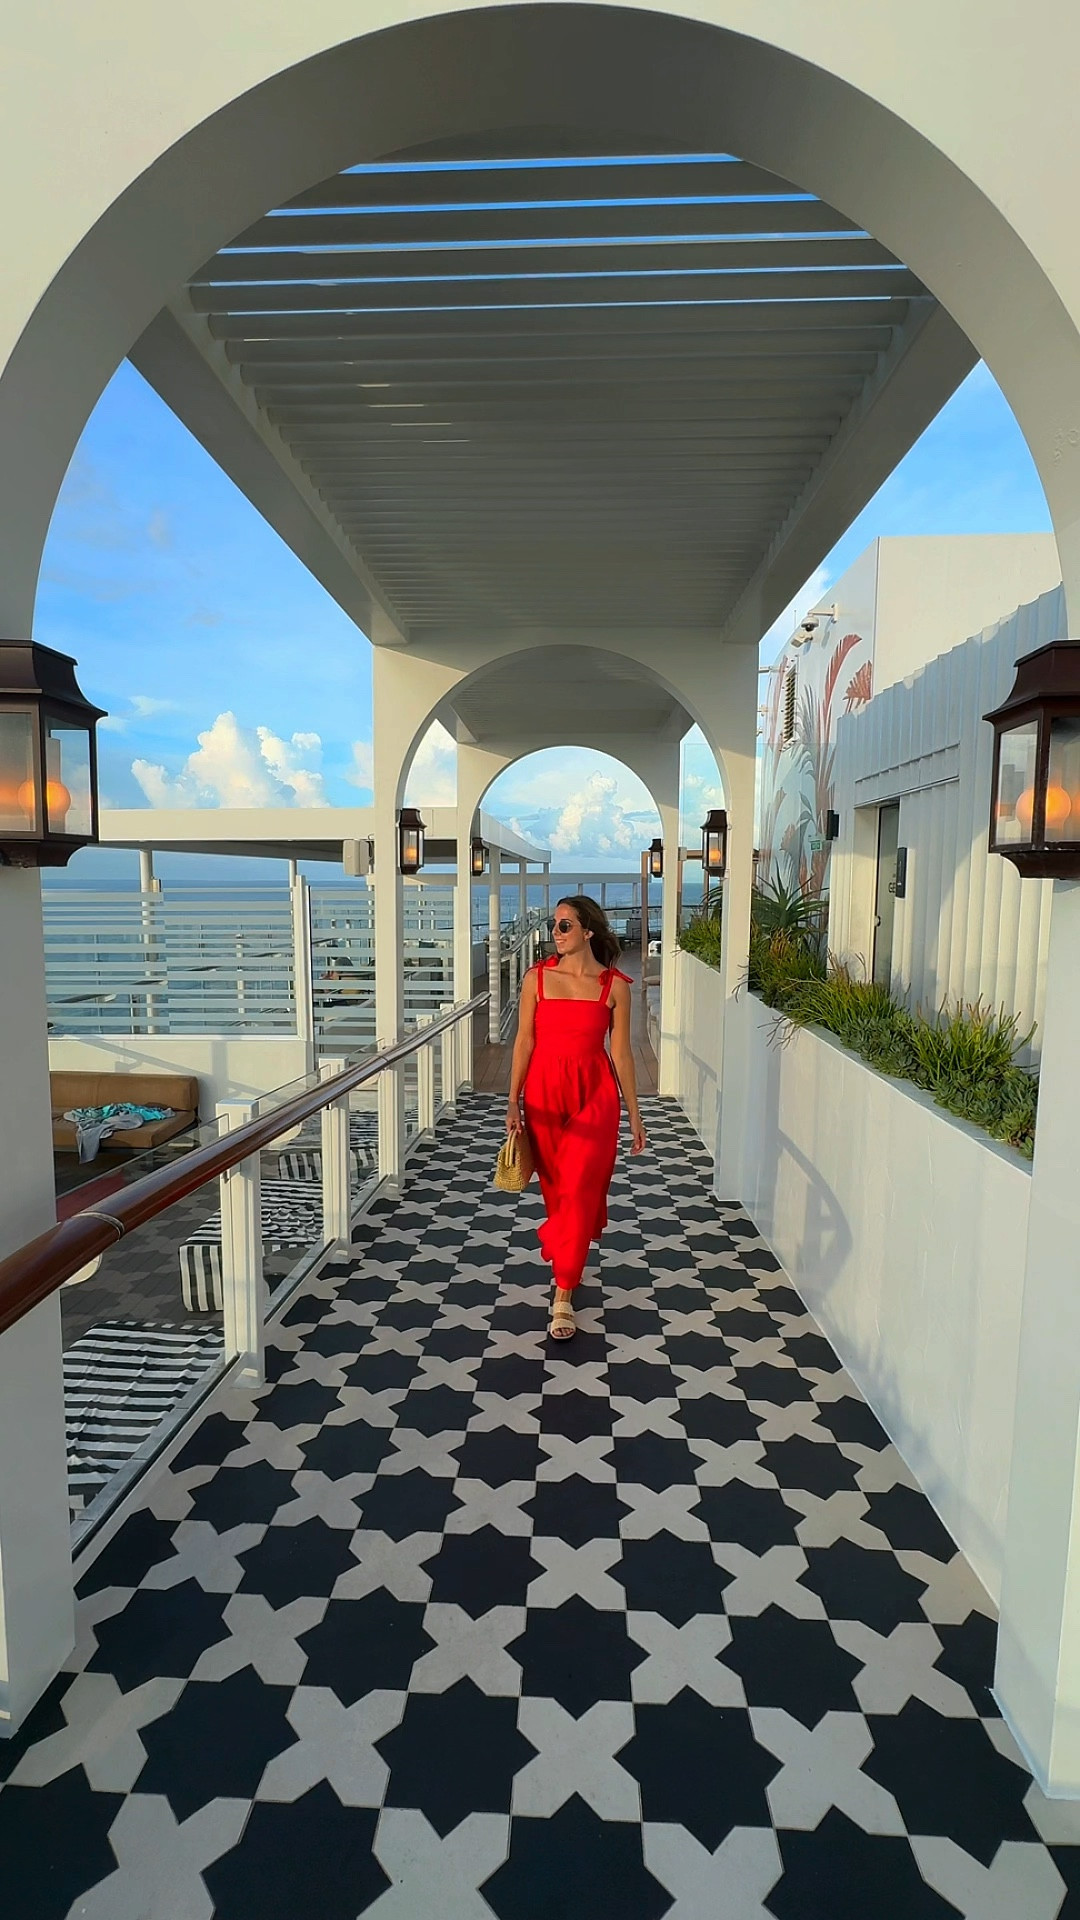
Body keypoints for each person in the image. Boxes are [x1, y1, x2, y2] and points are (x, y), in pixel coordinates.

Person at [506, 895, 647, 1340]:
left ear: (588, 931)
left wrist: (635, 1113)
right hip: (544, 1094)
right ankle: (571, 1258)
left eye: (565, 925)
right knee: (556, 1191)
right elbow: (524, 1042)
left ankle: (563, 1294)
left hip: (596, 1094)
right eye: (554, 925)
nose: (555, 932)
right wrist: (512, 1099)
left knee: (583, 1185)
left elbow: (621, 1054)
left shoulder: (615, 987)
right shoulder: (536, 979)